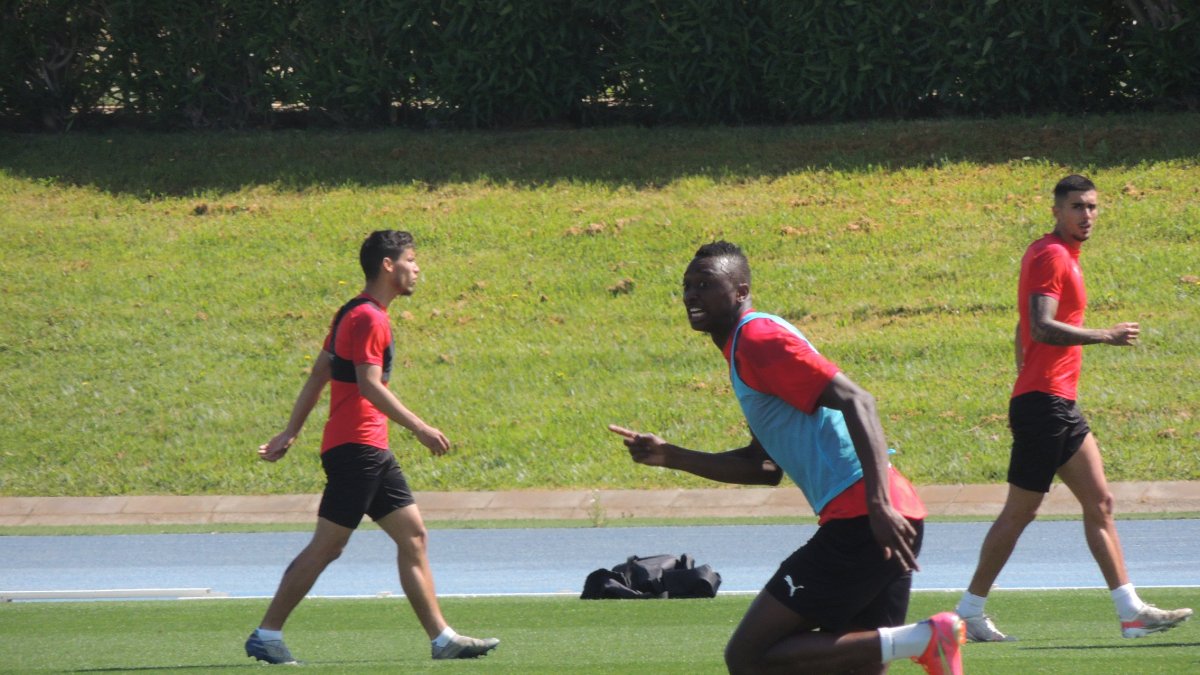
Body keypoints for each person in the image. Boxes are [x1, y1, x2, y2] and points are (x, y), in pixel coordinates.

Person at [609, 241, 965, 675]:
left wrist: (876, 506)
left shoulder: (758, 339)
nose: (691, 295)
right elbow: (763, 468)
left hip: (867, 517)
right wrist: (670, 456)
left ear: (740, 292)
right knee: (858, 663)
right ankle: (919, 642)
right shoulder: (745, 349)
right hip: (889, 514)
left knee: (749, 656)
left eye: (705, 284)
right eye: (686, 286)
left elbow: (859, 400)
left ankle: (925, 638)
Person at [955, 175, 1192, 642]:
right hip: (1044, 405)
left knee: (1100, 502)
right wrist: (1105, 335)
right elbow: (1042, 326)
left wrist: (1026, 362)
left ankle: (1130, 611)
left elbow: (1025, 326)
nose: (1087, 215)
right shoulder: (1050, 255)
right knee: (1020, 513)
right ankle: (968, 612)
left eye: (1093, 207)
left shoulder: (1062, 256)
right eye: (1077, 207)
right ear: (1056, 211)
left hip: (1054, 402)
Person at [245, 230, 499, 664]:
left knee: (414, 536)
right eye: (412, 260)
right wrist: (419, 426)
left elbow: (319, 373)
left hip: (367, 448)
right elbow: (368, 384)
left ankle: (442, 639)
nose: (417, 268)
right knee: (329, 545)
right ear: (388, 265)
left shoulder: (352, 312)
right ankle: (267, 633)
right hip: (357, 448)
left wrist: (292, 431)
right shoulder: (369, 318)